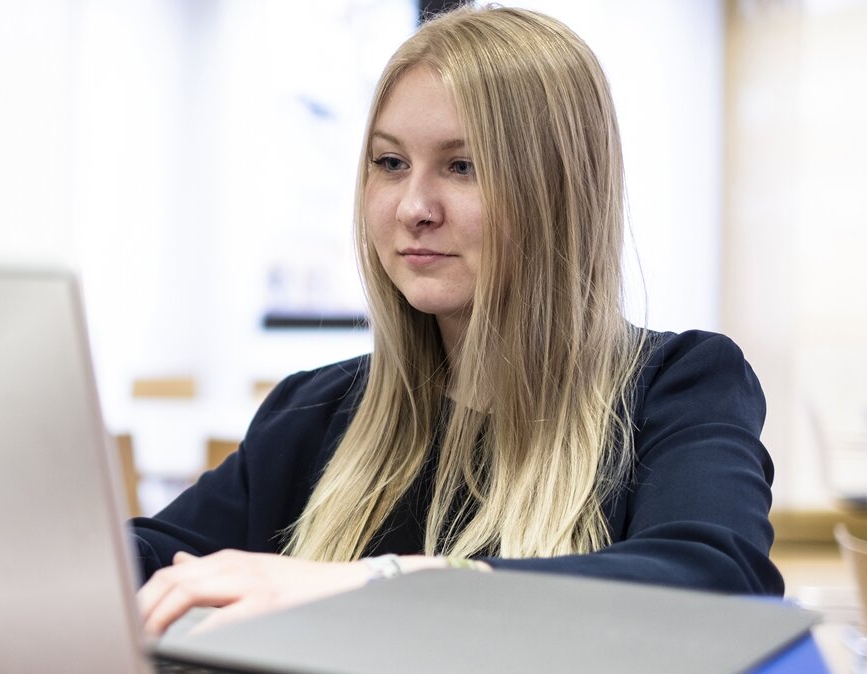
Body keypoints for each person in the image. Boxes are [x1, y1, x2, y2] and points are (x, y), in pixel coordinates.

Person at [133, 4, 784, 636]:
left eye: (462, 166)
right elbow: (140, 559)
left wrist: (373, 582)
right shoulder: (313, 410)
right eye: (390, 163)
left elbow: (715, 587)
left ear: (556, 190)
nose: (414, 205)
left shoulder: (680, 386)